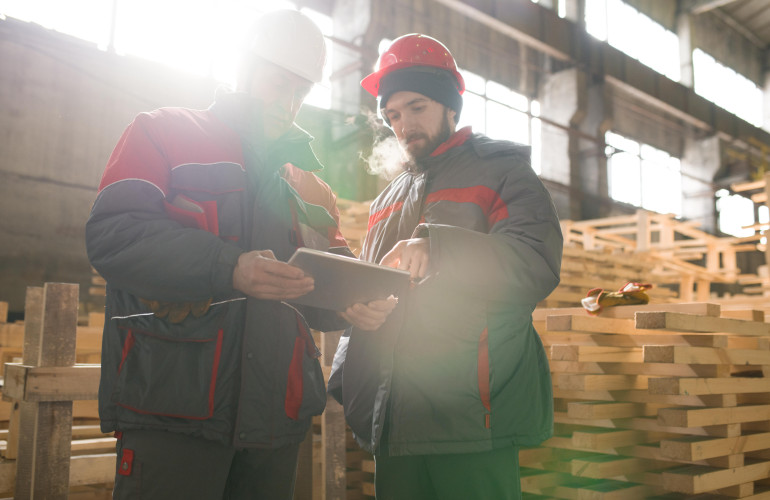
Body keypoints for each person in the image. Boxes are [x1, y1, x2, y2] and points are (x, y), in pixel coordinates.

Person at [85, 9, 394, 499]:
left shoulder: (311, 187)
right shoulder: (162, 133)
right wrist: (228, 267)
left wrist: (356, 303)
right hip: (175, 413)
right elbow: (114, 234)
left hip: (275, 422)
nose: (289, 103)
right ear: (244, 68)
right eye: (280, 83)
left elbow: (326, 286)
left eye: (301, 91)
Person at [328, 34, 563, 500]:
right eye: (393, 115)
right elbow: (372, 286)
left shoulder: (501, 171)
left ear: (450, 106)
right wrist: (357, 309)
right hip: (394, 417)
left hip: (470, 417)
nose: (403, 125)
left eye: (417, 108)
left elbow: (536, 262)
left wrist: (439, 248)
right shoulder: (385, 201)